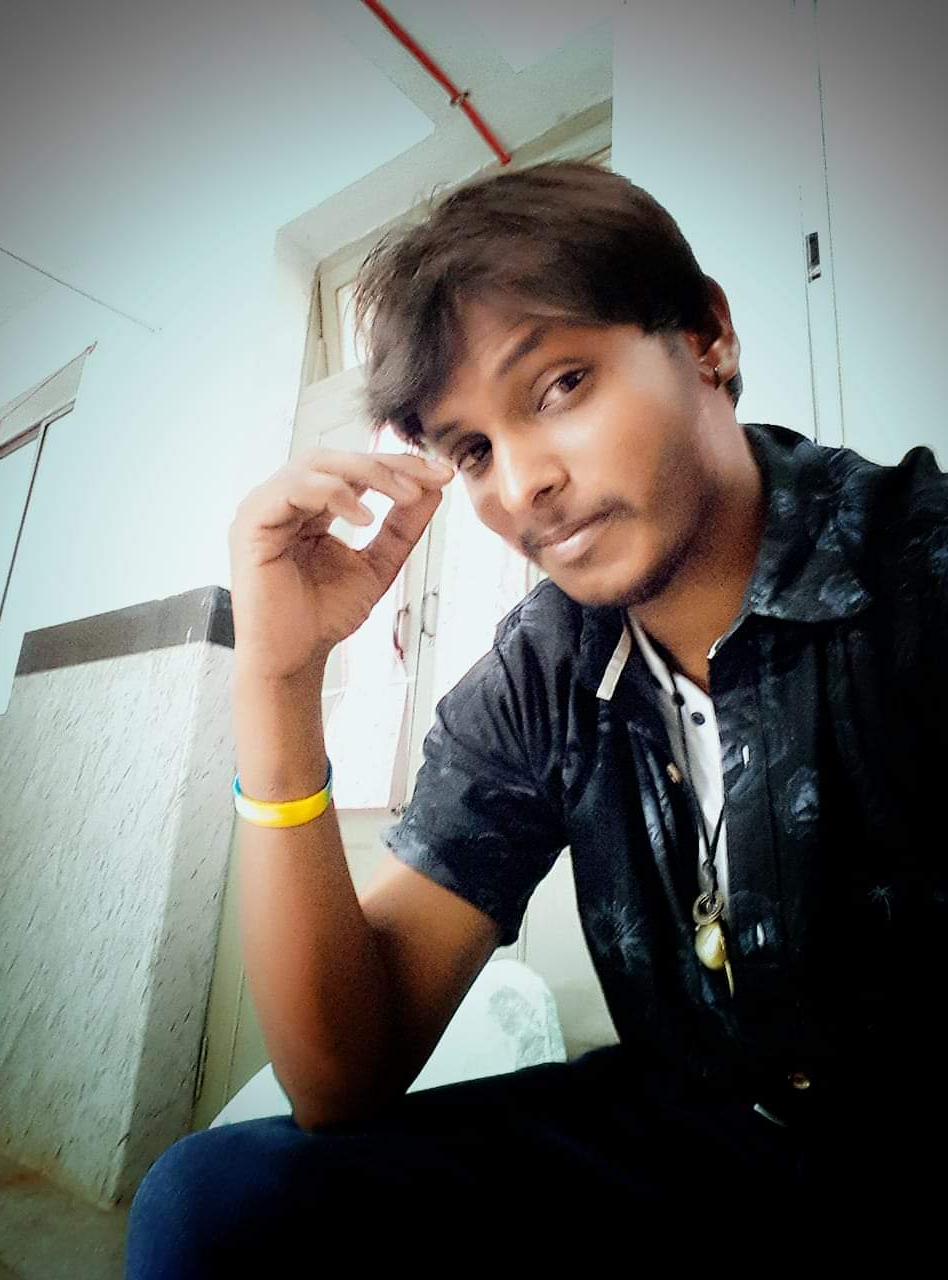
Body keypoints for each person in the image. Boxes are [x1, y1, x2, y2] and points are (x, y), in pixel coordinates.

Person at [125, 162, 947, 1273]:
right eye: (471, 449)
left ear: (706, 336)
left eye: (560, 385)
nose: (519, 486)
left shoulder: (918, 569)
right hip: (691, 1139)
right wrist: (278, 679)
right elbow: (341, 1073)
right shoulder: (548, 664)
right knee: (215, 1204)